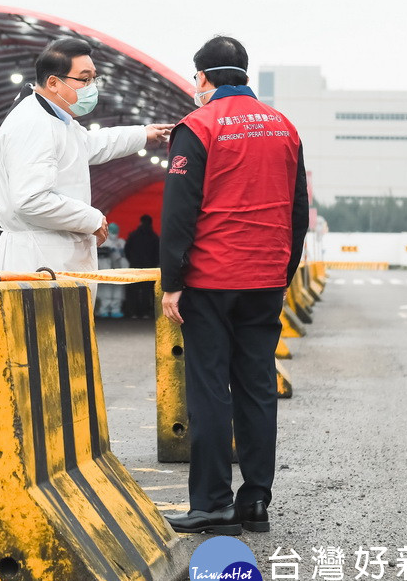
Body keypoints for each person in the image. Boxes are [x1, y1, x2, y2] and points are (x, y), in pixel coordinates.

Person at [160, 36, 309, 536]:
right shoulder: (284, 127)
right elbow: (299, 212)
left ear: (202, 78)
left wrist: (172, 283)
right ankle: (256, 501)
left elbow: (179, 214)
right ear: (243, 74)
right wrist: (281, 275)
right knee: (257, 388)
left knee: (208, 390)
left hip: (211, 280)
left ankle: (212, 504)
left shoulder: (198, 126)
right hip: (265, 279)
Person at [0, 37, 172, 273]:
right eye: (85, 80)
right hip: (36, 262)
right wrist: (91, 219)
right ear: (53, 82)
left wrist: (142, 134)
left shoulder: (58, 120)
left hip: (52, 260)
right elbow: (30, 200)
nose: (92, 87)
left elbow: (90, 144)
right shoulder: (33, 124)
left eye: (94, 79)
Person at [124, 215, 160, 319]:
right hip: (149, 268)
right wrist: (154, 264)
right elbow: (157, 253)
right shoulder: (154, 236)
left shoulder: (133, 235)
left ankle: (133, 312)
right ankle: (146, 313)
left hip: (135, 266)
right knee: (147, 290)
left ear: (140, 222)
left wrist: (132, 261)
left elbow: (127, 250)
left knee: (133, 290)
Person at [94, 223, 126, 318]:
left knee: (118, 293)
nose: (114, 233)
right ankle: (103, 310)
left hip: (119, 271)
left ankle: (116, 310)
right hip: (105, 270)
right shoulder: (101, 241)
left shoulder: (121, 242)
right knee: (105, 292)